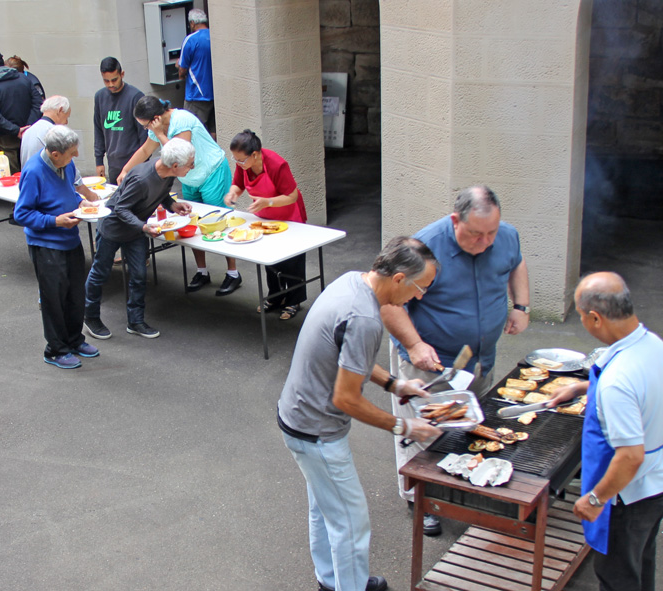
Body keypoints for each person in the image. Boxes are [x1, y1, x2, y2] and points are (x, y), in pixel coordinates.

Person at [278, 237, 442, 591]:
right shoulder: (366, 317)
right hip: (317, 431)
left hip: (297, 417)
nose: (419, 297)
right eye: (420, 288)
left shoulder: (353, 282)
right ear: (398, 279)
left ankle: (331, 580)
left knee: (326, 508)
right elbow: (346, 399)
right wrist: (404, 426)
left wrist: (396, 385)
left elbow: (350, 358)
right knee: (351, 524)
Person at [381, 185, 530, 536]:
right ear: (454, 220)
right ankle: (421, 499)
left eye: (491, 232)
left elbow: (517, 262)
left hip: (479, 358)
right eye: (476, 235)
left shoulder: (505, 236)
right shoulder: (424, 247)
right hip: (428, 364)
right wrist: (414, 343)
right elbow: (389, 301)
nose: (486, 242)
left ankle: (458, 486)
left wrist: (521, 306)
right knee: (422, 431)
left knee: (468, 424)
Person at [548, 272, 663, 591]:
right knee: (641, 562)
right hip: (656, 485)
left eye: (582, 316)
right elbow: (642, 389)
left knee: (617, 579)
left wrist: (596, 499)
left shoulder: (618, 381)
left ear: (595, 318)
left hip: (626, 496)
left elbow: (630, 457)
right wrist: (584, 387)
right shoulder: (652, 344)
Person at [119, 96, 239, 296]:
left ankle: (233, 273)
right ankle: (202, 271)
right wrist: (125, 171)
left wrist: (158, 133)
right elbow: (145, 150)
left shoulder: (181, 120)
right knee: (191, 222)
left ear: (156, 118)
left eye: (145, 125)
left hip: (211, 171)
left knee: (220, 222)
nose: (146, 129)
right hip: (189, 178)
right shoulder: (156, 128)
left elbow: (179, 153)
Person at [83, 138, 195, 341]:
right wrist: (143, 226)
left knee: (139, 276)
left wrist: (173, 205)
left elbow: (161, 195)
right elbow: (121, 209)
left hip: (134, 230)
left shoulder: (167, 173)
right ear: (176, 166)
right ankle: (90, 317)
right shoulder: (142, 178)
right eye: (190, 163)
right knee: (100, 272)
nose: (192, 167)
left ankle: (135, 321)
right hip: (113, 228)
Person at [13, 125, 100, 369]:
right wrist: (54, 221)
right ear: (55, 154)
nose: (75, 157)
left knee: (75, 294)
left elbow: (69, 191)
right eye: (71, 153)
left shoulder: (66, 165)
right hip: (47, 244)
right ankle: (55, 349)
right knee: (54, 298)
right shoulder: (33, 171)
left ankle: (74, 340)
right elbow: (22, 213)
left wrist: (81, 202)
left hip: (70, 239)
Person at [224, 129, 307, 320]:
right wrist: (233, 193)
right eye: (235, 159)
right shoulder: (244, 164)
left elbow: (292, 195)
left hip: (289, 215)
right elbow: (238, 184)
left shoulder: (277, 164)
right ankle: (275, 296)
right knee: (270, 257)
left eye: (241, 160)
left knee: (292, 260)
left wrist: (268, 201)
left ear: (255, 154)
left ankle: (294, 300)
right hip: (266, 218)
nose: (238, 163)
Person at [20, 95, 99, 202]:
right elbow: (70, 169)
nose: (66, 122)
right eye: (67, 117)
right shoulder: (53, 132)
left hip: (31, 187)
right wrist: (88, 194)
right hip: (49, 191)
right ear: (60, 110)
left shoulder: (29, 130)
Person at [0, 47, 42, 174]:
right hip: (27, 135)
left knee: (11, 177)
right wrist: (27, 127)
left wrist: (16, 130)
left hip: (5, 138)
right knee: (31, 173)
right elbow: (38, 103)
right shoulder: (23, 79)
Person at [93, 57, 147, 185]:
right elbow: (98, 129)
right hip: (113, 164)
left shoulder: (135, 96)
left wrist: (141, 165)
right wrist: (99, 161)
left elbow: (144, 135)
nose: (111, 84)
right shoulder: (100, 97)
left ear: (122, 74)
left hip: (134, 163)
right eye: (106, 81)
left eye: (114, 80)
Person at [177, 8, 215, 135]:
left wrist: (179, 69)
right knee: (212, 132)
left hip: (196, 95)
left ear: (192, 23)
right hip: (215, 94)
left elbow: (182, 69)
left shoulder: (190, 39)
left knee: (192, 131)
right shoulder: (215, 36)